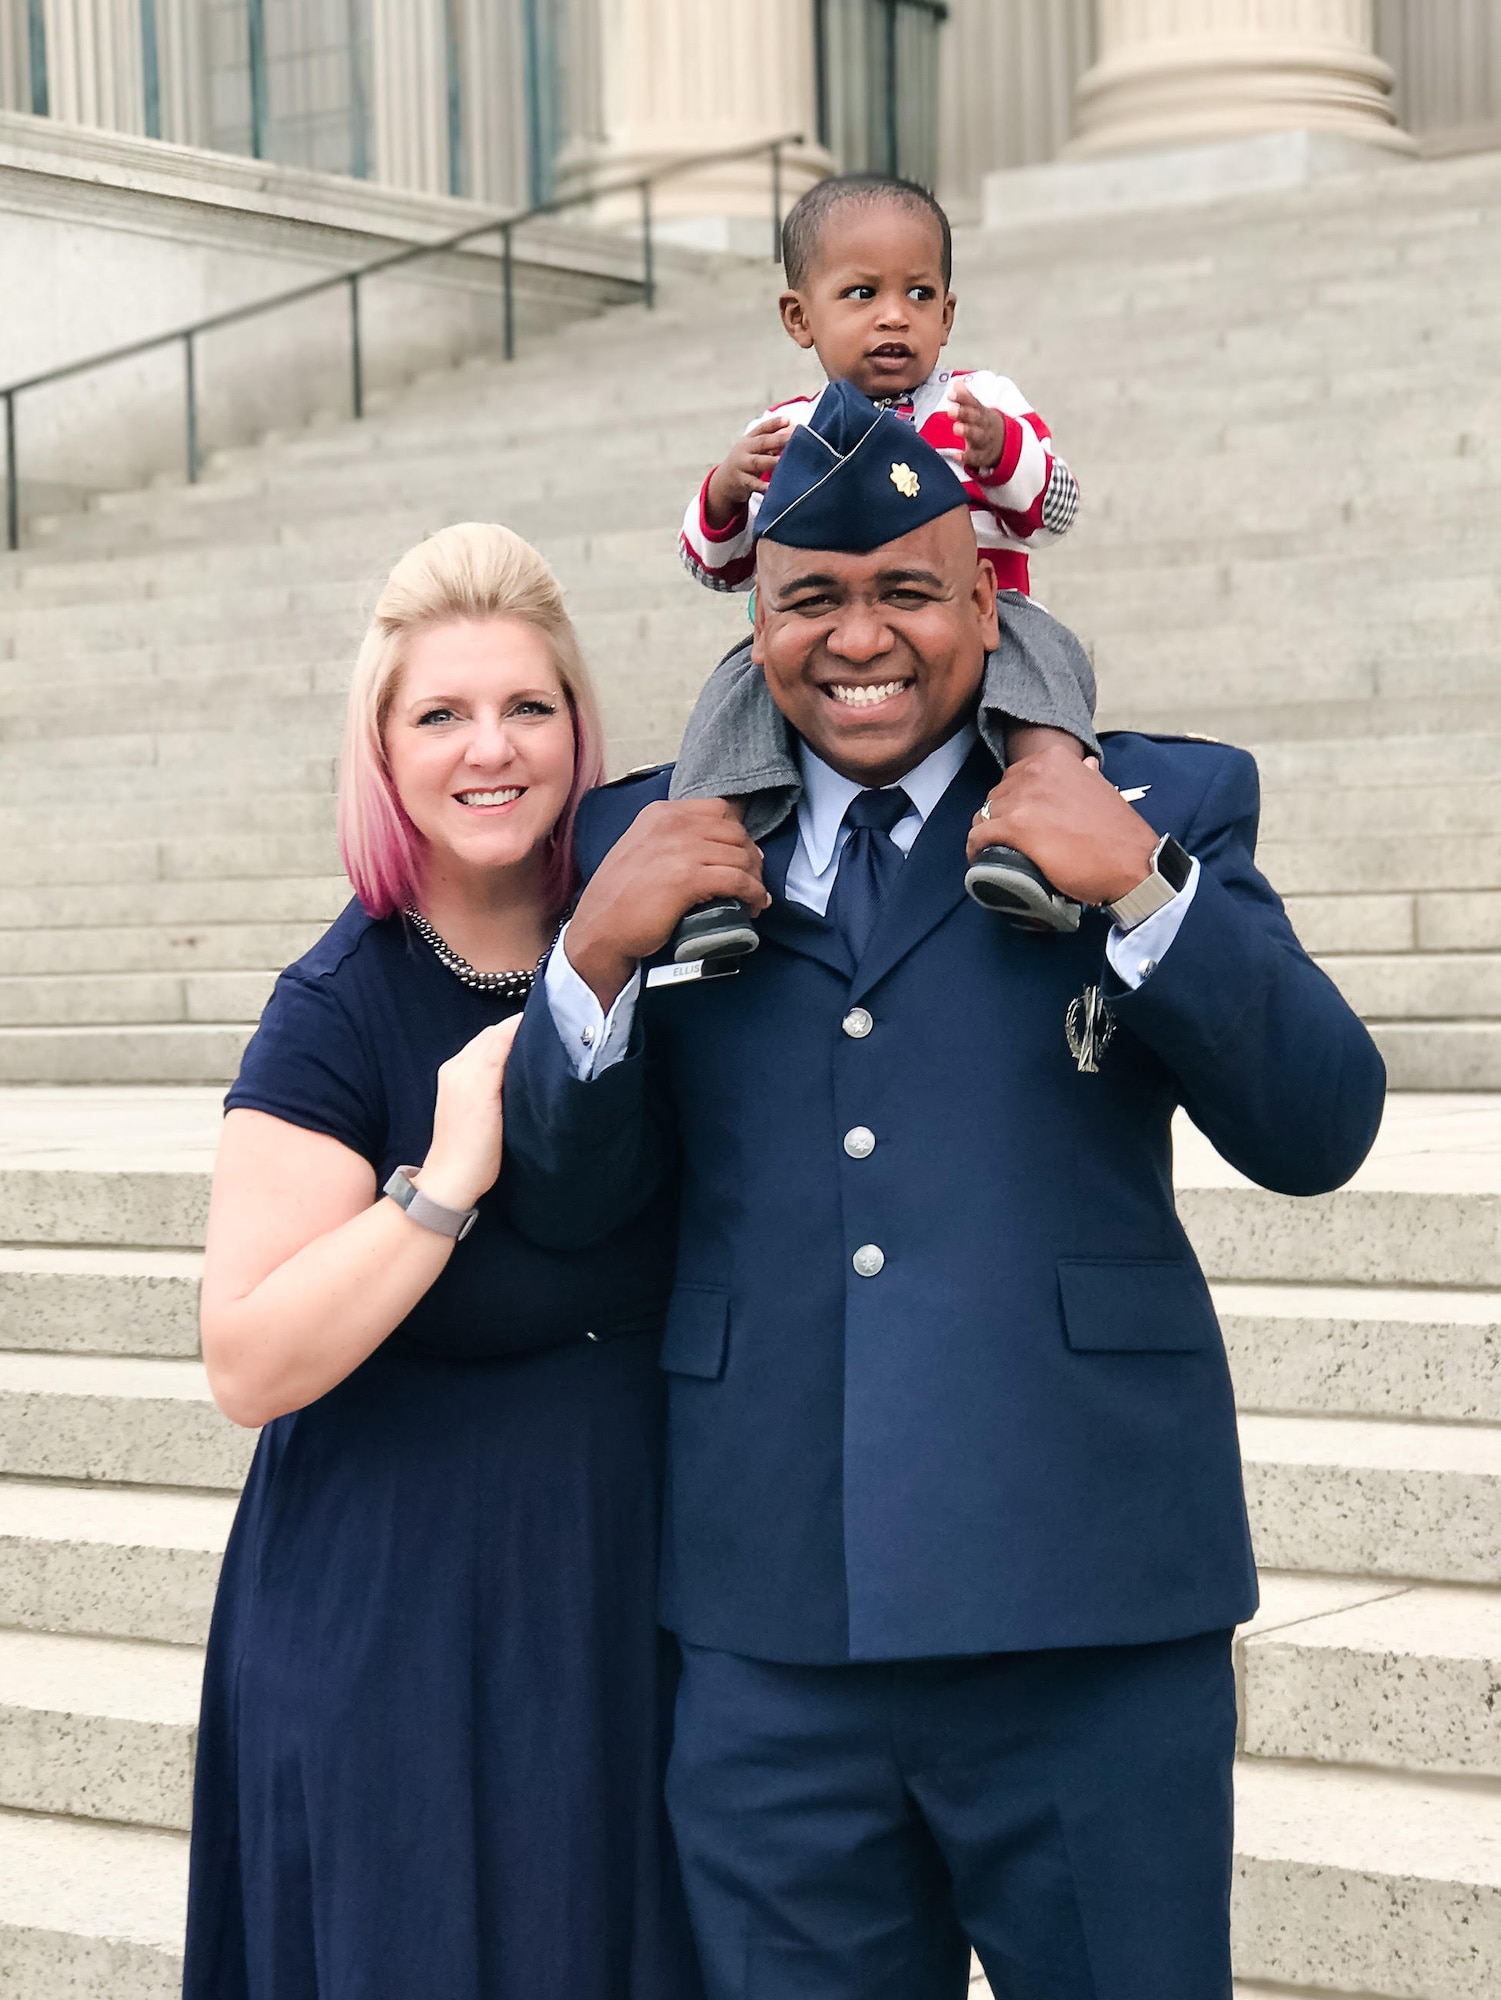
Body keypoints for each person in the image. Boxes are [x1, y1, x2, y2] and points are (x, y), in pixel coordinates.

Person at [499, 402, 1388, 1998]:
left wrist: (1142, 891)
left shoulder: (1153, 807)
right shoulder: (649, 840)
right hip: (774, 1643)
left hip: (1090, 1622)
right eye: (810, 601)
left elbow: (1319, 1127)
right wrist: (590, 964)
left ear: (989, 601)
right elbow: (573, 1211)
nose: (859, 642)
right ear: (755, 619)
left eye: (906, 593)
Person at [184, 523, 703, 2000]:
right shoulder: (335, 1009)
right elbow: (248, 1358)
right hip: (398, 1631)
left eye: (528, 708)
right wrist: (443, 1182)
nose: (493, 749)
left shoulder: (652, 944)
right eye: (442, 714)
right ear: (383, 749)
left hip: (620, 1601)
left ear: (579, 730)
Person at [670, 173, 1095, 954]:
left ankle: (1038, 828)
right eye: (861, 293)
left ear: (949, 313)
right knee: (733, 691)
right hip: (820, 632)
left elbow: (1055, 512)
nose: (894, 316)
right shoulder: (782, 430)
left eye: (920, 294)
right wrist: (726, 492)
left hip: (983, 618)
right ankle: (707, 867)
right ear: (800, 318)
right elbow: (716, 569)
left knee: (1045, 654)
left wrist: (1005, 453)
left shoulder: (978, 398)